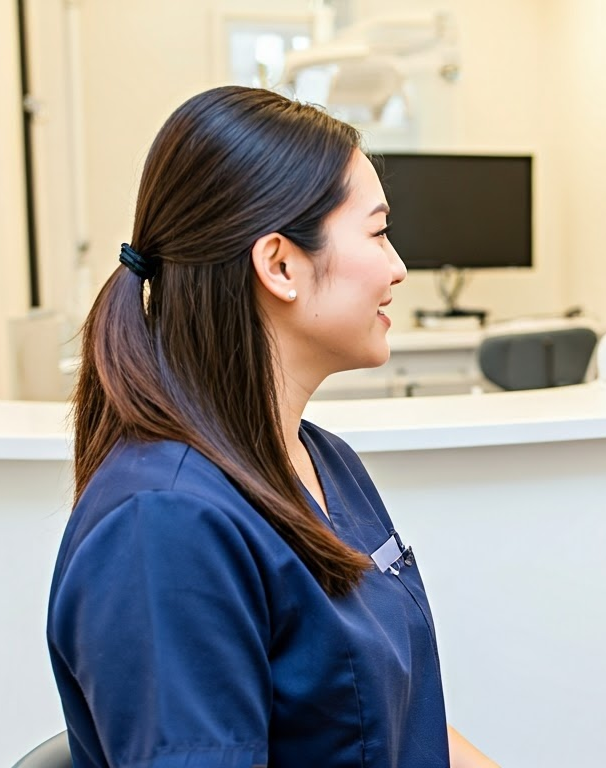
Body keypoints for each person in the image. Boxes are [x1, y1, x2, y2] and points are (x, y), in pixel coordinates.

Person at [46, 85, 498, 768]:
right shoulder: (164, 526)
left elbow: (404, 728)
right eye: (377, 232)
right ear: (280, 264)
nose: (399, 267)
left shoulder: (323, 461)